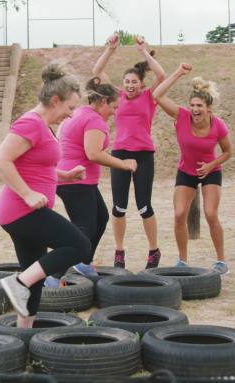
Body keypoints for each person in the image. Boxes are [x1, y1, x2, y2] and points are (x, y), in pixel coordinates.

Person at [0, 63, 92, 326]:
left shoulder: (43, 126)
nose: (71, 116)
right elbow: (1, 159)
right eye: (70, 108)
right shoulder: (31, 123)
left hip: (26, 211)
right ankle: (18, 282)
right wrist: (27, 194)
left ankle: (22, 337)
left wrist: (66, 176)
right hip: (22, 210)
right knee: (79, 245)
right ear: (55, 101)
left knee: (34, 277)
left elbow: (38, 166)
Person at [43, 77, 138, 287]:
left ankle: (83, 263)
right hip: (76, 181)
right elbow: (93, 153)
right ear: (103, 102)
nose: (114, 112)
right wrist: (123, 164)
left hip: (75, 179)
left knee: (101, 218)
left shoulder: (79, 113)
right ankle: (52, 275)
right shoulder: (95, 120)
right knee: (82, 231)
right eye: (113, 107)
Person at [92, 33, 166, 269]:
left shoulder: (149, 96)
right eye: (127, 82)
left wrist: (144, 51)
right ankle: (119, 252)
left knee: (145, 206)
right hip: (120, 154)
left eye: (134, 82)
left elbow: (162, 75)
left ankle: (154, 251)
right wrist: (110, 49)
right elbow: (97, 71)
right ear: (122, 84)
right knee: (118, 207)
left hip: (144, 155)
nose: (130, 85)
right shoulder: (116, 96)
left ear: (141, 84)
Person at [152, 63, 233, 274]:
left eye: (199, 106)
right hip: (186, 171)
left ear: (208, 108)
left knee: (210, 214)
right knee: (179, 214)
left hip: (211, 172)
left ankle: (222, 261)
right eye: (193, 105)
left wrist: (211, 165)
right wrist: (178, 72)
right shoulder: (181, 116)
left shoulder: (218, 125)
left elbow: (227, 152)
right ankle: (182, 261)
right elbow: (157, 95)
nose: (195, 110)